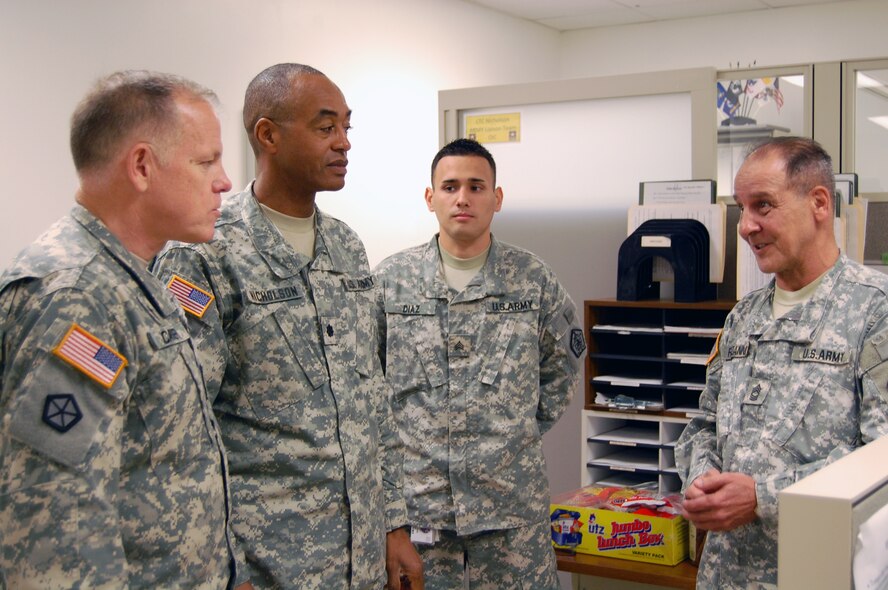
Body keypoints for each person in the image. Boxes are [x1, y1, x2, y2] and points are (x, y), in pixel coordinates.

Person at [151, 63, 422, 590]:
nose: (344, 143)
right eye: (326, 128)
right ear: (268, 135)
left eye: (347, 127)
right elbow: (183, 432)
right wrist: (219, 567)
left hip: (361, 558)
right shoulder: (206, 254)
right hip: (267, 563)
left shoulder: (346, 246)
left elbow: (374, 400)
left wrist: (394, 524)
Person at [0, 71, 240, 588]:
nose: (224, 181)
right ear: (141, 167)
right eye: (206, 162)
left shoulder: (134, 277)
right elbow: (52, 525)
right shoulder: (78, 297)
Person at [676, 136, 888, 588]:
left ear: (818, 203)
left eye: (763, 206)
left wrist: (761, 497)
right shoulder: (744, 315)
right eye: (741, 207)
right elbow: (703, 425)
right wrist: (700, 479)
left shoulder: (874, 312)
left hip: (818, 571)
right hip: (724, 574)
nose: (745, 226)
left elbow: (882, 465)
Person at [374, 138, 586, 589]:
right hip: (421, 511)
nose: (463, 198)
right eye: (450, 186)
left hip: (510, 509)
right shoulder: (391, 282)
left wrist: (513, 431)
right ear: (430, 198)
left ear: (497, 197)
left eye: (476, 186)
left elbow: (564, 363)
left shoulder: (532, 279)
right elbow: (367, 381)